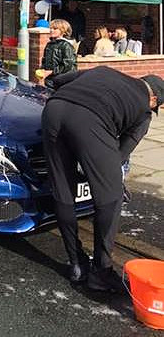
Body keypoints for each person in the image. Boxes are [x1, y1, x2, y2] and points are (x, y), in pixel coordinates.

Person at [42, 66, 163, 292]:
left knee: (63, 189)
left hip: (53, 110)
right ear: (153, 98)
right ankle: (101, 271)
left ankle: (77, 263)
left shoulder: (105, 71)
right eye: (156, 106)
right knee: (111, 196)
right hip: (91, 119)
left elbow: (57, 80)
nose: (153, 109)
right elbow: (119, 155)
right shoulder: (144, 113)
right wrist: (96, 168)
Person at [37, 19, 77, 84]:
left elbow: (67, 65)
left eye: (55, 29)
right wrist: (43, 70)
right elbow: (45, 60)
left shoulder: (66, 45)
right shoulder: (49, 44)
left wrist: (51, 72)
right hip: (50, 80)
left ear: (63, 31)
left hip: (64, 80)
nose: (51, 30)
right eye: (51, 28)